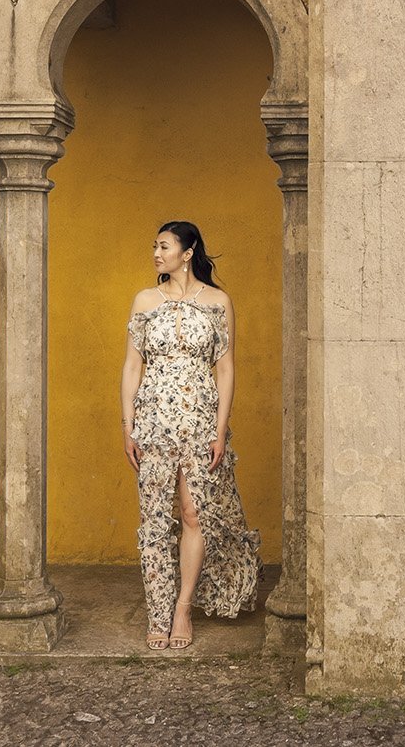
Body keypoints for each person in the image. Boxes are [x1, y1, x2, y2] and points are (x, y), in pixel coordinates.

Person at [121, 220, 260, 650]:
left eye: (163, 246)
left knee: (193, 513)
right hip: (154, 423)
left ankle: (183, 607)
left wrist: (220, 431)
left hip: (200, 424)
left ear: (188, 251)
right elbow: (131, 366)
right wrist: (128, 426)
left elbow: (226, 368)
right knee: (155, 520)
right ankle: (157, 613)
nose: (156, 254)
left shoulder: (218, 301)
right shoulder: (145, 300)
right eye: (154, 247)